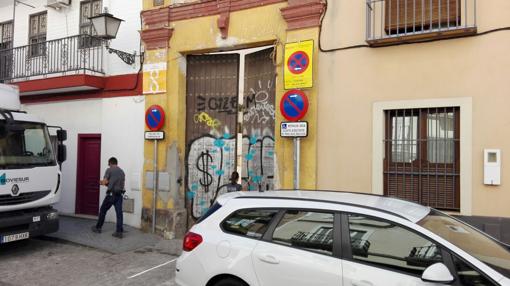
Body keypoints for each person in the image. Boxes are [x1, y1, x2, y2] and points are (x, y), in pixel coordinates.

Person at [91, 157, 125, 238]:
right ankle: (119, 232)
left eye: (108, 164)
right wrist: (109, 183)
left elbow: (105, 181)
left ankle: (98, 228)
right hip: (119, 195)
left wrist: (100, 182)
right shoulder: (122, 172)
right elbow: (121, 184)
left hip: (111, 195)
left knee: (103, 210)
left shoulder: (109, 170)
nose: (108, 165)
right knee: (119, 214)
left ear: (110, 163)